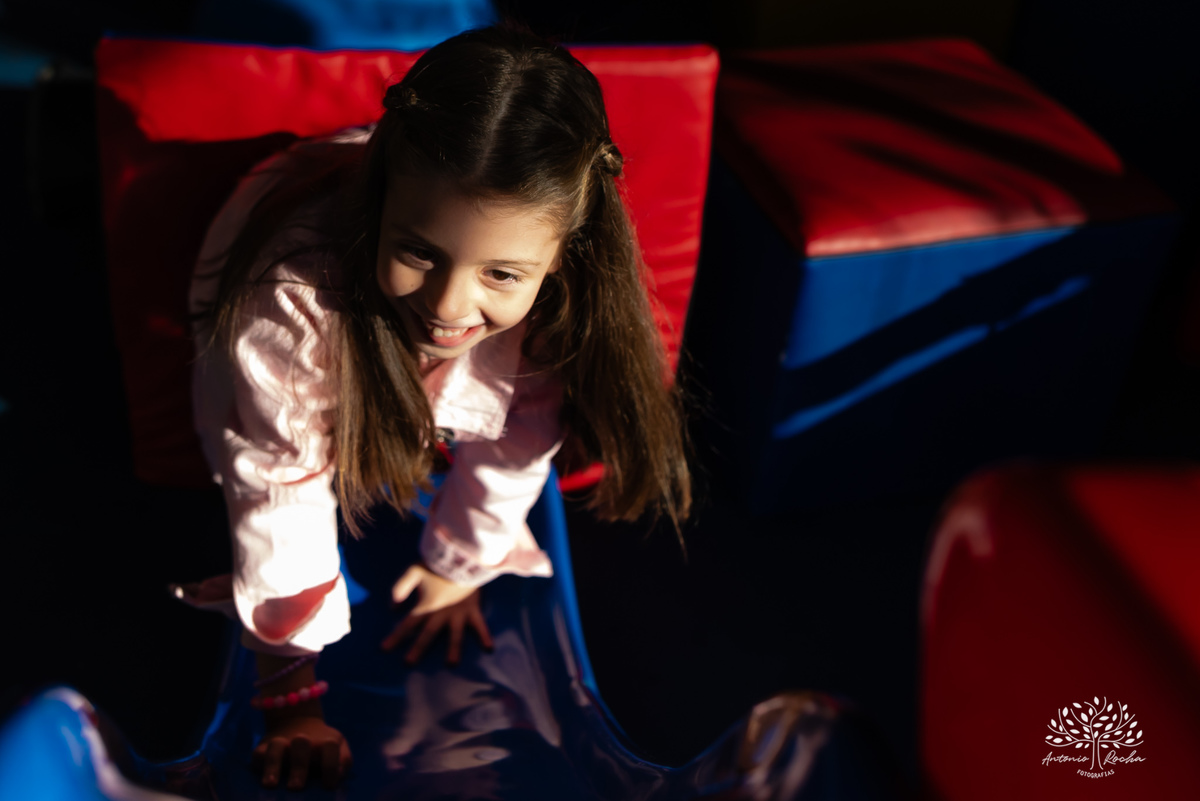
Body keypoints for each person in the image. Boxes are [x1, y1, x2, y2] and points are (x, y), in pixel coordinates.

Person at [179, 25, 692, 790]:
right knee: (284, 396)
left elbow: (525, 431)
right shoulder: (287, 304)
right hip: (293, 265)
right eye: (419, 252)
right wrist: (288, 700)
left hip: (422, 217)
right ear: (382, 204)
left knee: (485, 341)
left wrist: (461, 561)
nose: (451, 302)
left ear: (561, 257)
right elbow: (276, 486)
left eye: (502, 275)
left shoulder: (554, 288)